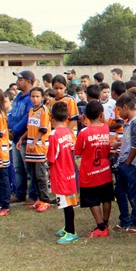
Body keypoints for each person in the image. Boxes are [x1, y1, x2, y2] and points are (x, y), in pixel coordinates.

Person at [75, 101, 114, 238]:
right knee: (106, 197)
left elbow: (78, 151)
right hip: (105, 170)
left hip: (90, 172)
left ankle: (101, 227)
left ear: (85, 115)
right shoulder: (105, 128)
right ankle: (105, 223)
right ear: (101, 114)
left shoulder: (84, 133)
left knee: (92, 200)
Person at [48, 104, 80, 243]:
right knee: (69, 201)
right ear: (67, 117)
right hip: (70, 172)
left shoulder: (54, 134)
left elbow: (51, 157)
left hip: (61, 173)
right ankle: (67, 228)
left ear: (51, 117)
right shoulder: (68, 132)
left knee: (66, 204)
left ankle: (71, 232)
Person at [114, 93, 136, 232]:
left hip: (132, 165)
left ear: (126, 107)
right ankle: (124, 220)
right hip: (124, 163)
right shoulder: (128, 122)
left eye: (119, 110)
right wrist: (120, 143)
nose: (119, 113)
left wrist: (128, 161)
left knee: (134, 194)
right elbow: (130, 140)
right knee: (120, 193)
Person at [7, 70, 35, 205]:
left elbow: (27, 118)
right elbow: (12, 114)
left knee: (29, 168)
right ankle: (20, 193)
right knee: (18, 168)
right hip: (15, 136)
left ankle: (33, 195)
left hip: (25, 137)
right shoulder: (18, 96)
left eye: (20, 79)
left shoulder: (32, 97)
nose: (17, 82)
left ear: (28, 82)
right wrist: (10, 128)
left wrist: (15, 130)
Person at [24, 87, 53, 213]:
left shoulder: (44, 110)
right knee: (34, 175)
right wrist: (21, 139)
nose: (35, 99)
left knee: (41, 175)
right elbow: (30, 127)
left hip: (40, 147)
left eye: (37, 96)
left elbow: (43, 129)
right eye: (33, 96)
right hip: (31, 147)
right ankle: (39, 199)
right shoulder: (31, 110)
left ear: (42, 98)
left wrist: (34, 142)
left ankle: (46, 200)